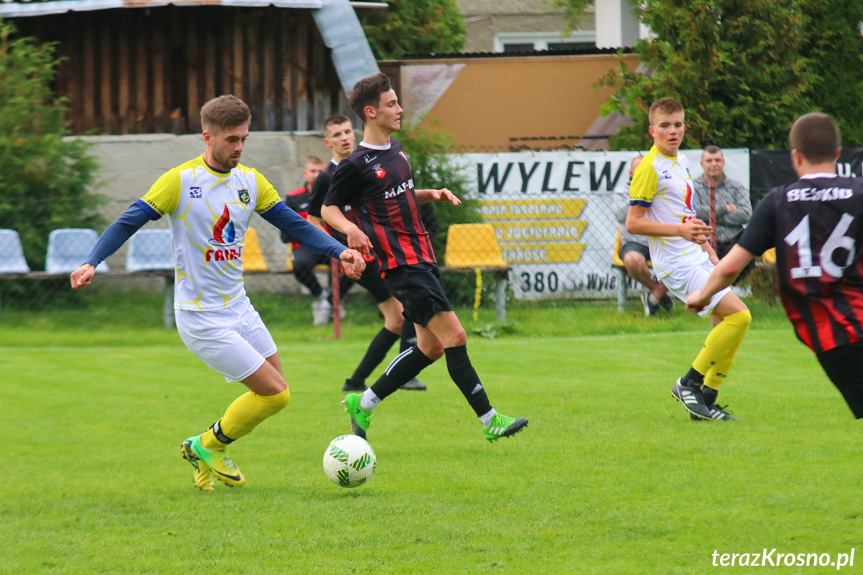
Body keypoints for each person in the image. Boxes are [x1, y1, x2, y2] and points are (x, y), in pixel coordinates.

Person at [69, 95, 365, 490]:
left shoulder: (250, 181)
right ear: (207, 137)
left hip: (240, 307)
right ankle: (209, 445)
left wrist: (340, 249)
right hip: (200, 315)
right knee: (274, 395)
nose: (239, 148)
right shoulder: (180, 181)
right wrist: (92, 260)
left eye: (244, 138)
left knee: (278, 393)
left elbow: (295, 224)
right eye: (231, 140)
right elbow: (128, 221)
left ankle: (202, 449)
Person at [321, 73, 528, 441]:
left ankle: (364, 402)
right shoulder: (356, 164)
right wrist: (350, 232)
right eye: (391, 104)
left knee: (430, 347)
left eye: (397, 102)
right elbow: (328, 209)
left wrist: (431, 193)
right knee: (456, 336)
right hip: (401, 264)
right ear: (371, 112)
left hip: (422, 256)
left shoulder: (397, 150)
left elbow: (400, 196)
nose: (399, 109)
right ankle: (489, 419)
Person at [687, 112, 863, 420]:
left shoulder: (778, 202)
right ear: (837, 153)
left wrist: (702, 296)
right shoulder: (859, 192)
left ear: (795, 156)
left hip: (834, 337)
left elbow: (731, 267)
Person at [626, 97, 752, 421]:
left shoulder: (681, 161)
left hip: (694, 254)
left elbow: (686, 215)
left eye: (678, 125)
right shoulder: (648, 168)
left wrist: (707, 247)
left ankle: (706, 400)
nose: (672, 131)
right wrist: (679, 232)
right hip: (674, 263)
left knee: (732, 321)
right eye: (665, 126)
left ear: (685, 127)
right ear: (652, 130)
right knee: (740, 316)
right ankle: (689, 384)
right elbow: (633, 222)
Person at [309, 114, 426, 392]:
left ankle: (356, 381)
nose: (345, 137)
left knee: (396, 319)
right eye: (337, 134)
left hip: (380, 250)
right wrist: (340, 252)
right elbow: (314, 221)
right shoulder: (326, 177)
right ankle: (406, 373)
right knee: (409, 302)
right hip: (360, 258)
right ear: (328, 142)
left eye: (348, 131)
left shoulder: (362, 165)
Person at [282, 155, 349, 324]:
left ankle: (330, 301)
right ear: (305, 173)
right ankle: (322, 296)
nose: (317, 175)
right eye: (313, 171)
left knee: (354, 264)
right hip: (304, 246)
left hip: (330, 244)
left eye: (321, 171)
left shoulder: (334, 196)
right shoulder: (294, 198)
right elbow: (285, 232)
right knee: (299, 265)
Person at [612, 154, 673, 316]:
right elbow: (619, 216)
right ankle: (658, 293)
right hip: (634, 242)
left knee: (685, 259)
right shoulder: (622, 192)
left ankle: (653, 298)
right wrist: (639, 192)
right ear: (632, 174)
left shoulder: (662, 191)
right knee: (632, 261)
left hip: (661, 240)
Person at [692, 145, 755, 284]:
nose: (713, 164)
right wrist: (725, 208)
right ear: (702, 164)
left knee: (748, 256)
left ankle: (725, 289)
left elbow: (745, 214)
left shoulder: (736, 186)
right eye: (709, 161)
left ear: (723, 162)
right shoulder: (693, 187)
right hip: (704, 242)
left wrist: (710, 216)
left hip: (732, 241)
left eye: (717, 160)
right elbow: (694, 213)